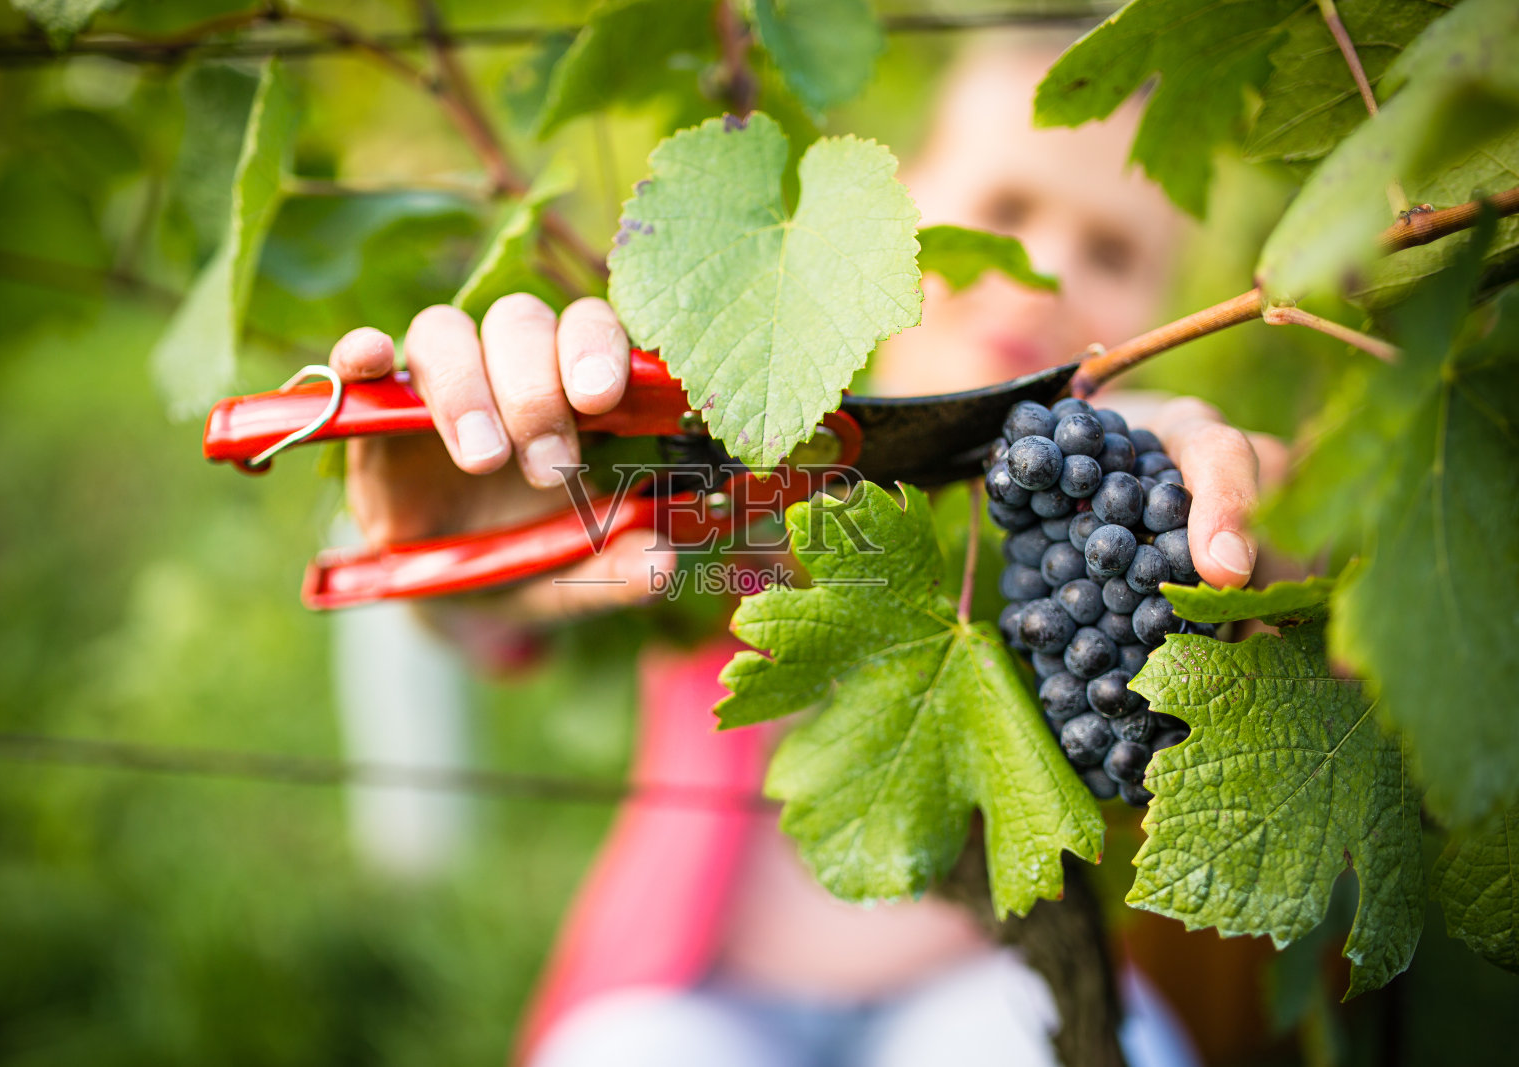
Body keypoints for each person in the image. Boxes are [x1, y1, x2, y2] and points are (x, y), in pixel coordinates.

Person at [325, 32, 1279, 1067]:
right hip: (698, 992)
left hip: (991, 991)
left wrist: (1177, 525)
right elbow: (505, 622)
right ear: (888, 216)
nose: (1043, 275)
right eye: (1005, 209)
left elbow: (1246, 610)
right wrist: (480, 553)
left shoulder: (1116, 503)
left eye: (1114, 254)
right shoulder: (741, 424)